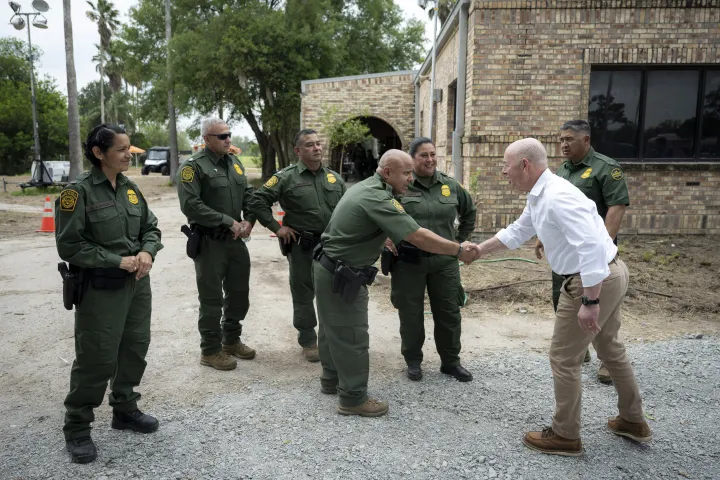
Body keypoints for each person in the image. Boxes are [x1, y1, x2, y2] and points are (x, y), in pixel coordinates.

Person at [470, 138, 651, 456]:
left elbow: (592, 246)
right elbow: (519, 230)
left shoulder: (556, 197)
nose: (503, 172)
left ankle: (566, 435)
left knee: (563, 358)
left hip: (592, 280)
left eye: (506, 166)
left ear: (525, 165)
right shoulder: (541, 194)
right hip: (609, 272)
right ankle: (633, 421)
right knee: (610, 348)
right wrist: (478, 250)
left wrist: (590, 302)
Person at [313, 149, 478, 418]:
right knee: (352, 334)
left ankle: (331, 380)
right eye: (406, 173)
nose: (411, 179)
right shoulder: (376, 195)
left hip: (330, 267)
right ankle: (353, 398)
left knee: (334, 329)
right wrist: (458, 250)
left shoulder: (371, 188)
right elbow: (417, 235)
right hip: (342, 273)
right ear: (387, 172)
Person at [56, 123, 164, 464]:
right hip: (101, 287)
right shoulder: (78, 193)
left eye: (129, 148)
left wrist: (148, 251)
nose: (127, 155)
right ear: (99, 153)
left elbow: (151, 226)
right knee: (97, 356)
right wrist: (117, 260)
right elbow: (69, 245)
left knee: (135, 348)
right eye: (121, 149)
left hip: (137, 286)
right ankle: (77, 427)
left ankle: (125, 409)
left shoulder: (130, 189)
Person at [536, 120, 630, 383]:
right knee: (563, 300)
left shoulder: (606, 169)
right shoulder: (562, 170)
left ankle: (608, 361)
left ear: (586, 140)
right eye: (561, 139)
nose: (563, 144)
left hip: (593, 255)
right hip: (567, 256)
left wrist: (601, 250)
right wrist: (542, 237)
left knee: (602, 309)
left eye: (569, 139)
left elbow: (616, 208)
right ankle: (578, 350)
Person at [248, 129, 346, 362]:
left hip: (331, 246)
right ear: (298, 151)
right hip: (302, 246)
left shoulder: (334, 178)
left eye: (319, 143)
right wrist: (277, 227)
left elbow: (349, 209)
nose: (317, 148)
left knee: (333, 291)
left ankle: (331, 336)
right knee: (303, 291)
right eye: (310, 145)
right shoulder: (286, 177)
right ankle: (308, 339)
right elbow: (257, 201)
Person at [385, 137, 477, 382]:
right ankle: (413, 361)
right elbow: (379, 214)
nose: (430, 160)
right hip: (408, 263)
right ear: (412, 159)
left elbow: (469, 212)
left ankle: (451, 362)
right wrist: (386, 238)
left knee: (449, 313)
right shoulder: (399, 185)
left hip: (444, 263)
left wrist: (459, 240)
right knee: (411, 314)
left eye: (433, 154)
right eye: (423, 155)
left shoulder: (449, 185)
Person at [178, 117, 257, 371]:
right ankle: (210, 350)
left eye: (228, 135)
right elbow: (191, 205)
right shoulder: (193, 167)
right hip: (210, 242)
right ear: (206, 139)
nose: (228, 140)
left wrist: (248, 221)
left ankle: (231, 341)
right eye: (221, 136)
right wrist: (227, 221)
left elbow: (247, 195)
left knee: (239, 295)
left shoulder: (234, 163)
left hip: (235, 242)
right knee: (211, 299)